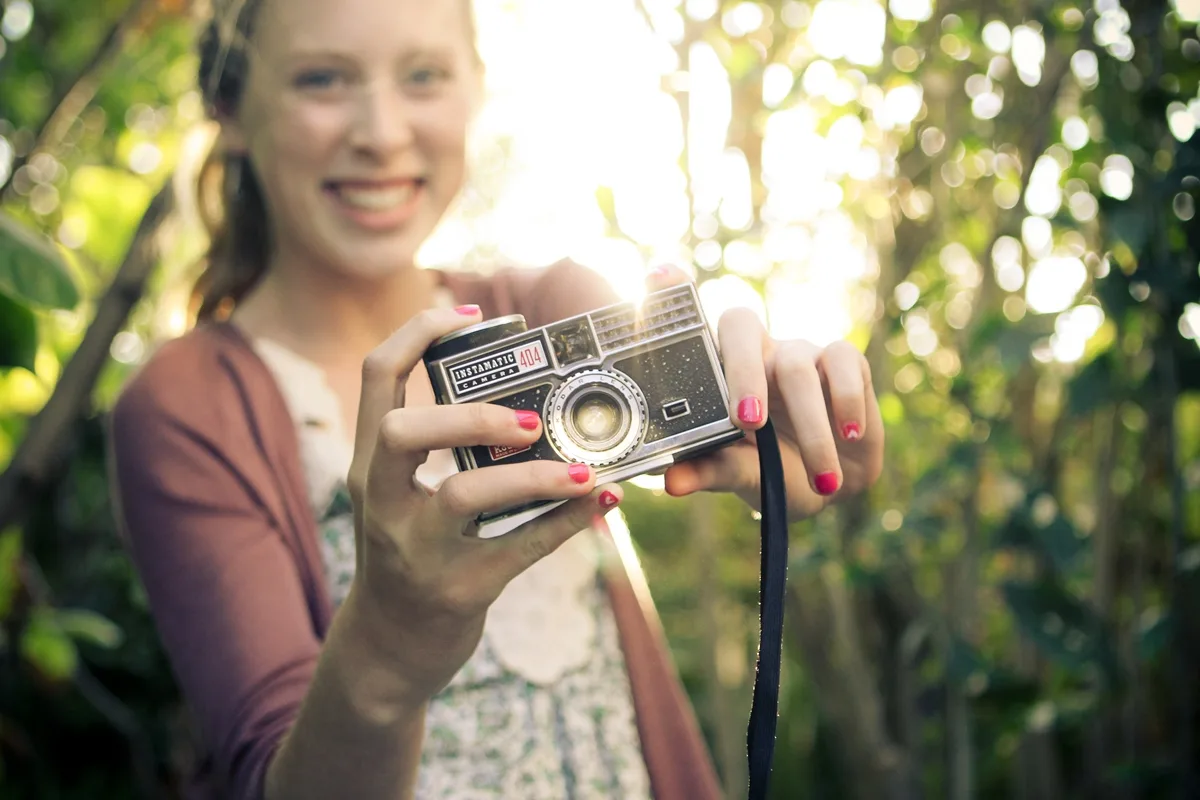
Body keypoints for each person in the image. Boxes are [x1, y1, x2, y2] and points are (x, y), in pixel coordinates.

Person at [105, 0, 885, 798]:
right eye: (321, 80)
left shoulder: (548, 304)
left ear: (475, 88)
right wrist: (387, 646)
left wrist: (789, 428)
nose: (382, 133)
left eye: (423, 75)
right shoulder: (187, 403)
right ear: (230, 110)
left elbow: (750, 450)